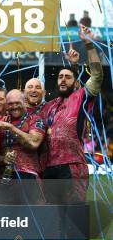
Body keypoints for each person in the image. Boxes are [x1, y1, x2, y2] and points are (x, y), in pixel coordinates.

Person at [42, 25, 103, 204]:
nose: (62, 79)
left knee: (74, 217)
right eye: (60, 76)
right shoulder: (49, 106)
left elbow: (97, 75)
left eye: (67, 77)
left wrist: (88, 45)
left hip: (72, 167)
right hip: (49, 168)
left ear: (75, 82)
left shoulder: (82, 96)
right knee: (52, 220)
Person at [0, 90, 46, 204]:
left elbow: (34, 143)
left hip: (29, 176)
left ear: (25, 102)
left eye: (17, 103)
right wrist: (3, 159)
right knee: (3, 219)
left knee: (31, 218)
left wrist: (11, 128)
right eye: (10, 104)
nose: (14, 106)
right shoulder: (1, 122)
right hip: (4, 178)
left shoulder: (35, 119)